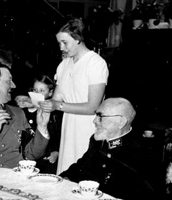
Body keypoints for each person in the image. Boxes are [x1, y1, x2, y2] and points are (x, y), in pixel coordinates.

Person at [39, 18, 109, 174]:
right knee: (66, 173)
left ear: (78, 39)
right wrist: (36, 102)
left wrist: (59, 106)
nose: (61, 48)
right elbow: (56, 99)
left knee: (84, 174)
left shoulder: (96, 64)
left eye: (65, 43)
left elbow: (93, 107)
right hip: (69, 126)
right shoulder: (64, 64)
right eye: (59, 43)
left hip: (89, 127)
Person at [59, 98, 161, 199]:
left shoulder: (143, 152)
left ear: (121, 122)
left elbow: (145, 193)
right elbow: (82, 165)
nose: (94, 121)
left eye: (101, 117)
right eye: (96, 115)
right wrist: (62, 179)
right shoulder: (98, 141)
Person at [15, 74, 62, 174]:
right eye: (35, 90)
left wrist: (56, 152)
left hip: (46, 160)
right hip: (27, 159)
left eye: (42, 91)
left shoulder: (54, 114)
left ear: (50, 93)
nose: (37, 94)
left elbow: (59, 135)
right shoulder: (23, 111)